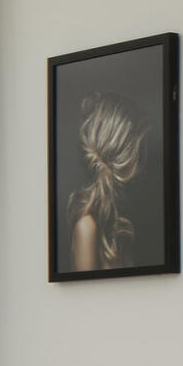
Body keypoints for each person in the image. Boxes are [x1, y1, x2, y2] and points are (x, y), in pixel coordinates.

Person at [66, 95, 145, 271]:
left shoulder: (122, 217)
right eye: (140, 146)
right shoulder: (87, 226)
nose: (144, 155)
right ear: (126, 152)